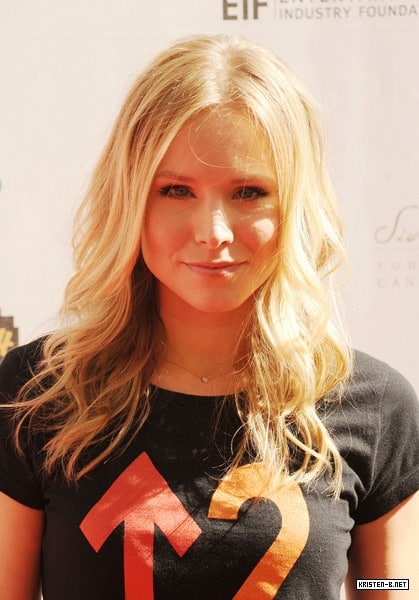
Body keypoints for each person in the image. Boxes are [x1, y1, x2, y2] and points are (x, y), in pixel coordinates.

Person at [0, 34, 418, 600]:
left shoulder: (376, 405)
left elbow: (389, 583)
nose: (213, 231)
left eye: (249, 191)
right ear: (131, 199)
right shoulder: (37, 395)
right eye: (176, 190)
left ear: (294, 204)